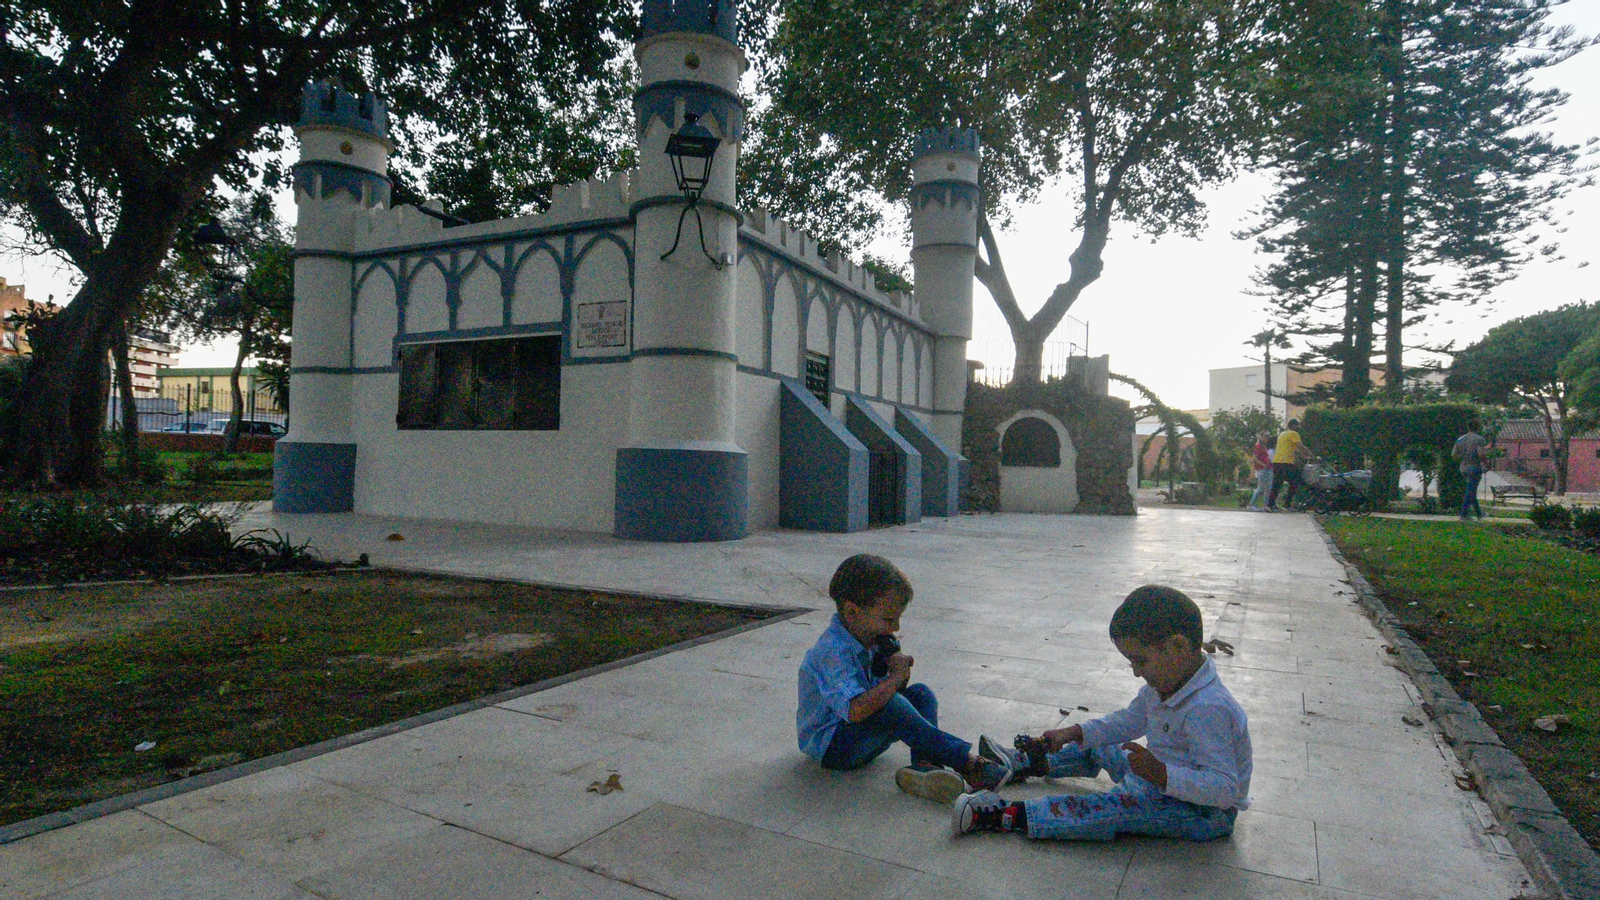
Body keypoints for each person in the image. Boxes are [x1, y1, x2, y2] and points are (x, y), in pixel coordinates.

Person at [952, 585, 1251, 842]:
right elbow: (1127, 721)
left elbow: (1225, 790)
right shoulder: (1164, 685)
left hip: (1201, 812)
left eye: (1140, 661)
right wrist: (1076, 733)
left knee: (1109, 807)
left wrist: (1162, 775)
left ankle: (1005, 815)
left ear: (1178, 645)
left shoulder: (1208, 709)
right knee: (1101, 743)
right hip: (1157, 778)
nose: (1136, 672)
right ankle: (1023, 762)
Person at [798, 554, 1012, 803]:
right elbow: (855, 710)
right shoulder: (831, 651)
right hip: (833, 748)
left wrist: (893, 670)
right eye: (888, 620)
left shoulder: (868, 637)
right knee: (893, 704)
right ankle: (967, 763)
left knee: (922, 694)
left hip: (861, 731)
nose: (896, 628)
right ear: (852, 611)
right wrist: (894, 680)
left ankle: (924, 766)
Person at [1266, 420, 1307, 510]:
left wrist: (1304, 456)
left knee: (1277, 484)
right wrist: (1311, 456)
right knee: (1296, 481)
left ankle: (1269, 505)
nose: (1299, 427)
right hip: (1286, 463)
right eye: (1298, 425)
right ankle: (1287, 504)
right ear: (1293, 426)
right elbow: (1301, 447)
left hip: (1277, 462)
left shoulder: (1282, 434)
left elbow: (1294, 449)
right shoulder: (1294, 434)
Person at [1452, 418, 1488, 520]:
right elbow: (1481, 454)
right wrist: (1487, 464)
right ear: (1478, 427)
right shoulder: (1480, 440)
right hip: (1474, 467)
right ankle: (1463, 515)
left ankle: (1479, 514)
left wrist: (1462, 458)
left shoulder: (1460, 439)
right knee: (1470, 491)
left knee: (1471, 490)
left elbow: (1454, 454)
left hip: (1463, 467)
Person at [1246, 431, 1274, 511]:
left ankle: (1266, 506)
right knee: (1261, 487)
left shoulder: (1264, 446)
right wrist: (1262, 464)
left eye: (1268, 436)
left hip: (1268, 468)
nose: (1267, 438)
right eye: (1265, 436)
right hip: (1262, 469)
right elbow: (1254, 457)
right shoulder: (1258, 446)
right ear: (1261, 436)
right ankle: (1251, 504)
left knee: (1268, 488)